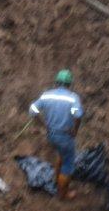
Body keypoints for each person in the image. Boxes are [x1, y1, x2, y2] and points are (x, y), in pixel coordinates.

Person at [29, 69, 84, 200]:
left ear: (56, 82)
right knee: (68, 163)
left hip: (51, 135)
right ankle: (62, 194)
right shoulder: (72, 98)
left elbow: (32, 110)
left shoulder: (47, 95)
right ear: (69, 84)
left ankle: (56, 179)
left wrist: (43, 125)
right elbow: (77, 115)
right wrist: (75, 130)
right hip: (65, 137)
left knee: (61, 154)